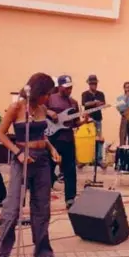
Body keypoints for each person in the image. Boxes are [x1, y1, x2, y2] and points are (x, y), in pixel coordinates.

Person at [0, 73, 61, 257]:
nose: (49, 98)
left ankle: (42, 250)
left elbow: (42, 136)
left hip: (41, 160)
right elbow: (1, 133)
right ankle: (2, 255)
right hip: (22, 159)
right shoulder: (17, 107)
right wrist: (18, 153)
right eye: (47, 94)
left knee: (42, 207)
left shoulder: (42, 109)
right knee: (13, 208)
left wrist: (52, 149)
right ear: (38, 92)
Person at [46, 75, 82, 209]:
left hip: (67, 139)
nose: (69, 90)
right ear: (60, 86)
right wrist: (49, 112)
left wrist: (83, 122)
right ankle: (44, 195)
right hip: (52, 139)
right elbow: (39, 110)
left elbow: (75, 123)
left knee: (70, 169)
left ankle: (70, 198)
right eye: (67, 88)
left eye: (71, 87)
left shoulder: (73, 103)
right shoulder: (50, 98)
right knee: (48, 167)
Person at [81, 75, 106, 168]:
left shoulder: (101, 94)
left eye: (95, 83)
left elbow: (103, 104)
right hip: (88, 120)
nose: (94, 85)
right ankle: (86, 159)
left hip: (98, 118)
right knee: (87, 139)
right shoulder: (85, 94)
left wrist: (93, 103)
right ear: (89, 84)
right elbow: (85, 103)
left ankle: (99, 159)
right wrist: (95, 103)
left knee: (99, 139)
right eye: (92, 83)